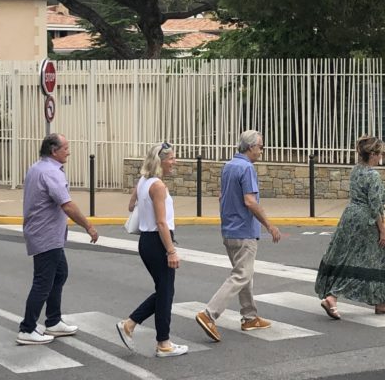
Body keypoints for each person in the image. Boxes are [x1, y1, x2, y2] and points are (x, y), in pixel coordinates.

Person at [194, 130, 281, 342]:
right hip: (244, 231)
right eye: (261, 147)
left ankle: (250, 317)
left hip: (229, 229)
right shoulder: (247, 168)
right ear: (251, 147)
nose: (262, 151)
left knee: (244, 273)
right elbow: (250, 201)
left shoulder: (229, 165)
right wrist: (269, 225)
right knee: (241, 275)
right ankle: (209, 314)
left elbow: (222, 196)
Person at [16, 133, 99, 345]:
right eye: (65, 148)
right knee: (43, 282)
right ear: (54, 151)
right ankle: (27, 328)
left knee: (59, 273)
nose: (68, 152)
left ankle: (53, 321)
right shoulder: (51, 173)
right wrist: (88, 226)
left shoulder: (37, 167)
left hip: (45, 233)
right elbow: (67, 205)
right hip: (46, 234)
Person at [116, 142, 188, 357]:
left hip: (146, 242)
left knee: (165, 291)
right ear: (160, 161)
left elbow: (131, 206)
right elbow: (162, 223)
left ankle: (130, 324)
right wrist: (171, 251)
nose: (174, 162)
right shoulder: (158, 186)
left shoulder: (143, 181)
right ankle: (163, 343)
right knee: (165, 292)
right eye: (171, 158)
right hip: (157, 241)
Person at [315, 135, 385, 318]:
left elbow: (363, 196)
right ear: (373, 154)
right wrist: (383, 230)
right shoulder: (373, 174)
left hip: (350, 216)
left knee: (347, 257)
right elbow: (373, 205)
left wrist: (384, 205)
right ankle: (333, 296)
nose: (381, 157)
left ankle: (380, 302)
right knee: (372, 259)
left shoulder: (356, 170)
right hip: (366, 221)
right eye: (380, 154)